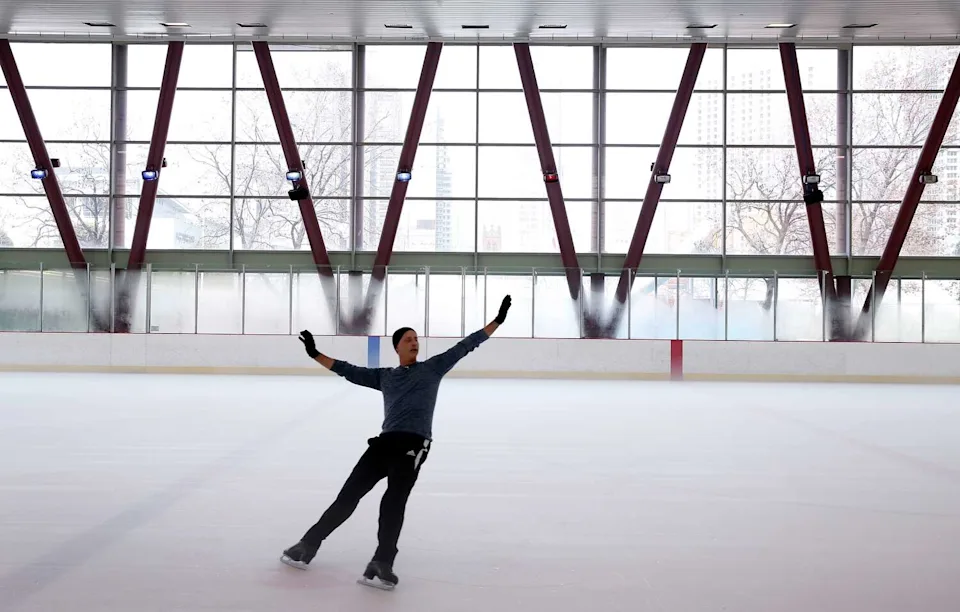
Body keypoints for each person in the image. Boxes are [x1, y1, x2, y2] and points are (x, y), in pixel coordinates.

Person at [280, 295, 513, 590]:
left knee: (393, 502)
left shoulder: (433, 368)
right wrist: (315, 353)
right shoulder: (385, 377)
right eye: (408, 339)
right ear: (397, 347)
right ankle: (307, 545)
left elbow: (465, 346)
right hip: (383, 444)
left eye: (416, 339)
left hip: (413, 446)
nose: (415, 343)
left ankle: (382, 562)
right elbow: (348, 370)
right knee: (347, 497)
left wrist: (497, 321)